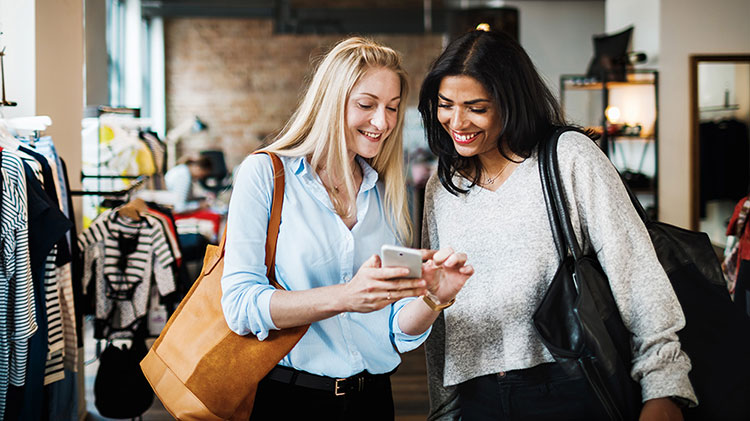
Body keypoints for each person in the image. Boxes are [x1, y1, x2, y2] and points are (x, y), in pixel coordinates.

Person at [418, 29, 697, 420]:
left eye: (476, 107)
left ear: (511, 102)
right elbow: (443, 307)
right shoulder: (444, 185)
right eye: (445, 104)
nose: (456, 121)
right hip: (478, 397)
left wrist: (663, 386)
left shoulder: (568, 158)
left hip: (568, 385)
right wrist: (443, 408)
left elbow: (635, 271)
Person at [220, 36, 473, 420]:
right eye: (366, 105)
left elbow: (395, 328)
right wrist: (345, 296)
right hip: (289, 399)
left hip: (371, 400)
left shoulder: (387, 189)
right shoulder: (266, 174)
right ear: (330, 102)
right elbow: (240, 305)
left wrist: (434, 299)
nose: (382, 122)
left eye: (391, 108)